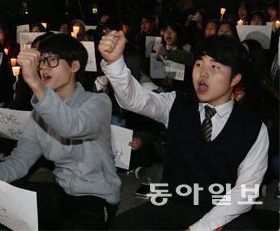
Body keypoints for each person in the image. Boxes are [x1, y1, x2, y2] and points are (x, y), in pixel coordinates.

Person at [99, 32, 274, 230]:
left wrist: (197, 229)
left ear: (235, 78)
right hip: (174, 203)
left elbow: (244, 193)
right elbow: (136, 99)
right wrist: (115, 64)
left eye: (215, 66)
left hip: (223, 210)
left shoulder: (253, 128)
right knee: (123, 226)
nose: (203, 73)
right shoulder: (176, 103)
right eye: (199, 64)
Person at [0, 34, 121, 230]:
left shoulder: (98, 103)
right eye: (41, 61)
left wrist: (35, 84)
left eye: (51, 60)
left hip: (96, 196)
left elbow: (71, 126)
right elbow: (20, 160)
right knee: (1, 194)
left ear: (74, 66)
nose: (43, 67)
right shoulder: (39, 113)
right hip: (61, 190)